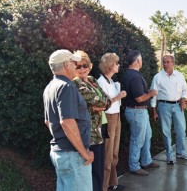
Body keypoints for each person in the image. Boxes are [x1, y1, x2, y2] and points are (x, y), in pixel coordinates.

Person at [43, 49, 94, 191]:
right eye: (74, 63)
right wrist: (84, 153)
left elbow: (48, 122)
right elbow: (67, 122)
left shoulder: (49, 87)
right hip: (73, 155)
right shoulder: (66, 87)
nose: (76, 66)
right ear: (66, 65)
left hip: (61, 153)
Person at [72, 50, 111, 191]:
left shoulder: (93, 80)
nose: (82, 69)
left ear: (90, 66)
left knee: (99, 170)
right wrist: (101, 104)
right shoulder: (76, 84)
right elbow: (101, 103)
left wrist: (101, 104)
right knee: (91, 174)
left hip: (100, 130)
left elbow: (106, 101)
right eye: (78, 66)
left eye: (85, 65)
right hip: (89, 134)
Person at [123, 49, 160, 176]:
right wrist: (151, 93)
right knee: (137, 139)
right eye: (141, 59)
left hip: (138, 112)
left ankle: (146, 161)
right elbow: (139, 98)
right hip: (137, 112)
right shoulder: (134, 76)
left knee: (147, 136)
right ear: (138, 61)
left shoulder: (130, 74)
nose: (142, 61)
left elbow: (138, 94)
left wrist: (147, 92)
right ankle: (134, 166)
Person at [150, 54, 187, 165]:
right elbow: (154, 94)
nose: (166, 64)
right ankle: (169, 155)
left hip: (178, 105)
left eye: (168, 62)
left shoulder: (179, 75)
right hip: (164, 106)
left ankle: (181, 152)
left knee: (181, 129)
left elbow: (185, 89)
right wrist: (153, 110)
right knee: (166, 130)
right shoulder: (158, 77)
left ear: (173, 63)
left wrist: (183, 99)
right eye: (164, 62)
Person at [97, 53, 126, 191]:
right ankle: (103, 186)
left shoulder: (111, 81)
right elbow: (103, 104)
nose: (118, 65)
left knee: (114, 151)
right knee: (108, 152)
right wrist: (118, 96)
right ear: (110, 65)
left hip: (116, 116)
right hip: (109, 118)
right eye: (116, 63)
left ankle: (112, 182)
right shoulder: (101, 82)